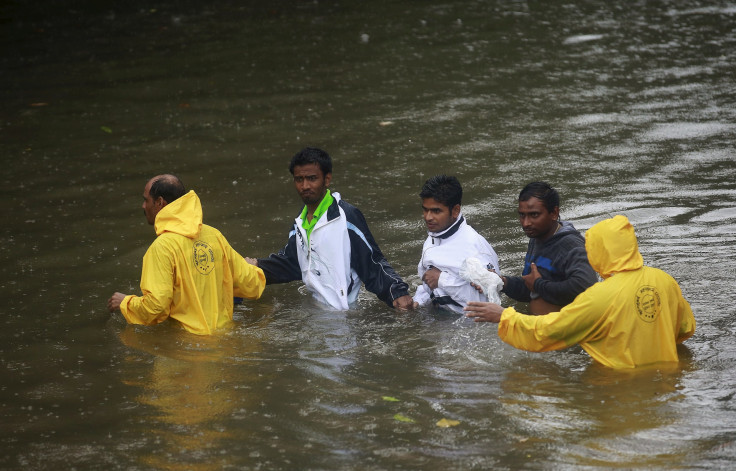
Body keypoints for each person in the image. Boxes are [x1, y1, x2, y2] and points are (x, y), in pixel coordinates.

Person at [464, 215, 696, 369]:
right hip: (666, 378)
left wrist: (503, 316)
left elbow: (550, 331)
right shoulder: (665, 280)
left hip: (618, 382)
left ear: (598, 252)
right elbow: (686, 328)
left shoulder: (600, 296)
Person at [246, 147, 414, 310]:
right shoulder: (299, 223)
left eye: (312, 178)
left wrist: (397, 292)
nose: (305, 186)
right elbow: (292, 262)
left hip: (344, 314)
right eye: (299, 179)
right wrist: (257, 266)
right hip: (315, 311)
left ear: (327, 179)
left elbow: (372, 262)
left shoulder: (346, 217)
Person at [107, 174, 266, 335]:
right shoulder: (214, 236)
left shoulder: (162, 247)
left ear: (160, 202)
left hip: (187, 350)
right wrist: (251, 269)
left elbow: (156, 308)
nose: (143, 206)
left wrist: (125, 302)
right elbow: (251, 286)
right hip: (224, 341)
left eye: (146, 200)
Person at [501, 181, 597, 315]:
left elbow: (586, 287)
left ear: (554, 213)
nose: (526, 223)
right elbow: (531, 288)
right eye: (522, 215)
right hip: (542, 328)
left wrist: (538, 285)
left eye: (534, 215)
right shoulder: (536, 237)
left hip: (569, 330)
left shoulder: (571, 245)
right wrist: (502, 283)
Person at [412, 175, 500, 314]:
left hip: (469, 329)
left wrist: (442, 280)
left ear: (455, 211)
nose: (428, 217)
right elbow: (429, 281)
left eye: (436, 211)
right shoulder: (433, 237)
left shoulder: (475, 250)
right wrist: (417, 301)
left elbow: (488, 302)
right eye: (425, 209)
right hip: (439, 320)